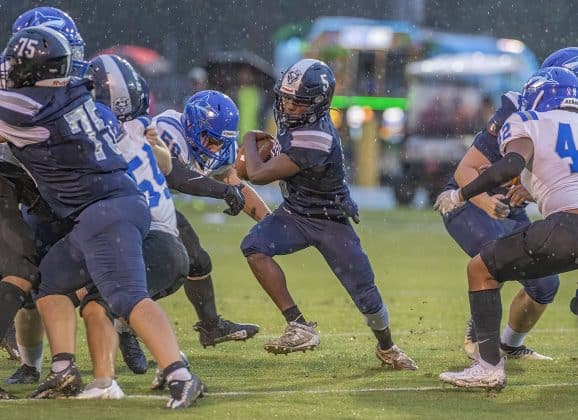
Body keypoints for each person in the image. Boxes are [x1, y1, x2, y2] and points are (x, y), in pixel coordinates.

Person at [0, 26, 202, 408]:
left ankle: (181, 374)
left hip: (106, 211)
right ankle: (63, 371)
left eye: (17, 64)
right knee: (54, 282)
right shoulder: (73, 93)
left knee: (125, 296)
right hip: (104, 208)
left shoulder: (29, 108)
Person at [240, 58, 417, 370]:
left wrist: (248, 139)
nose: (289, 106)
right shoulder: (295, 122)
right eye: (286, 98)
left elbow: (257, 174)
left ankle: (387, 347)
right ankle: (298, 325)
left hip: (328, 219)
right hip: (295, 213)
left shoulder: (316, 137)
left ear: (318, 104)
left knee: (365, 294)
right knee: (254, 247)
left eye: (298, 102)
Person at [435, 66, 578, 390]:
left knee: (481, 269)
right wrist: (534, 189)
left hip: (568, 227)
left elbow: (511, 165)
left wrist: (460, 194)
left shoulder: (527, 119)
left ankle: (487, 366)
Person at [440, 97, 560, 361]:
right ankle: (481, 333)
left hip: (511, 207)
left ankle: (511, 345)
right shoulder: (518, 110)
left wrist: (530, 192)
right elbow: (466, 169)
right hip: (469, 201)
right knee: (498, 260)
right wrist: (484, 201)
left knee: (546, 284)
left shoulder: (566, 121)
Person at [152, 90, 268, 348]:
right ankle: (122, 323)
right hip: (124, 200)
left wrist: (269, 222)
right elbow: (177, 177)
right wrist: (224, 192)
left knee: (197, 262)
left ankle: (211, 328)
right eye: (210, 139)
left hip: (152, 203)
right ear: (192, 123)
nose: (214, 148)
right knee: (164, 269)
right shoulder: (168, 128)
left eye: (220, 142)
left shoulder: (217, 146)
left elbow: (235, 184)